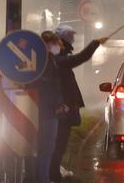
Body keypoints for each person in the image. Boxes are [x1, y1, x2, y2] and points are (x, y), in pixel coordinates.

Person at [49, 25, 107, 183]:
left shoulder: (58, 57)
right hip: (62, 110)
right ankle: (52, 175)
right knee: (58, 144)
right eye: (71, 37)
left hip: (63, 109)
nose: (73, 39)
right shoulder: (59, 59)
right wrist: (95, 43)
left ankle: (54, 171)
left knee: (59, 145)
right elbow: (79, 58)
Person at [36, 32, 67, 183]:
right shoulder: (47, 60)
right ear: (48, 44)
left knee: (41, 147)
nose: (59, 47)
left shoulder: (39, 59)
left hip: (41, 109)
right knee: (47, 147)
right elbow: (48, 86)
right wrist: (57, 105)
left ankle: (40, 177)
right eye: (56, 43)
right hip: (48, 111)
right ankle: (43, 179)